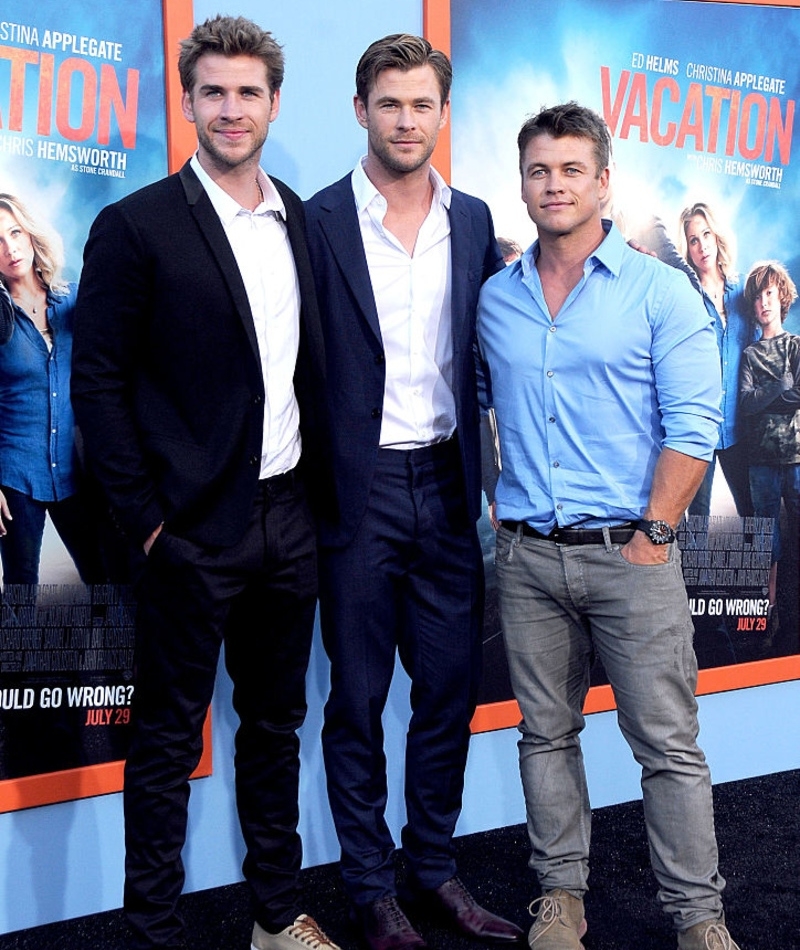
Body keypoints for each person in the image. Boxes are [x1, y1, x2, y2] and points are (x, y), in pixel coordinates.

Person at [71, 15, 336, 950]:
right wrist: (147, 524)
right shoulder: (135, 224)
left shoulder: (299, 216)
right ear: (186, 103)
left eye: (248, 92)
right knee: (165, 740)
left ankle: (274, 916)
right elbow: (95, 382)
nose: (232, 109)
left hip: (288, 517)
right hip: (187, 531)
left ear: (272, 102)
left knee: (274, 726)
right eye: (213, 92)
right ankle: (152, 931)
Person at [477, 103, 741, 950]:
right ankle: (561, 897)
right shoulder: (495, 299)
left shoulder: (662, 293)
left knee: (667, 746)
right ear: (522, 182)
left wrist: (653, 536)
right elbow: (482, 409)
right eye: (538, 171)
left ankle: (699, 916)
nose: (554, 186)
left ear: (604, 181)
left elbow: (694, 427)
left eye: (571, 170)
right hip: (526, 559)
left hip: (632, 554)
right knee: (545, 735)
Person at [304, 34, 522, 950]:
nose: (406, 120)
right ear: (361, 111)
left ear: (442, 113)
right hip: (355, 492)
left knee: (447, 690)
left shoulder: (471, 220)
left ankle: (432, 867)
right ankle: (369, 886)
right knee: (356, 698)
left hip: (447, 480)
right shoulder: (310, 219)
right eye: (389, 104)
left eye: (422, 104)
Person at [0, 194, 105, 587]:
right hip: (15, 476)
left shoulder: (72, 300)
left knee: (102, 576)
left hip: (76, 471)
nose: (10, 249)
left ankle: (104, 653)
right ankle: (13, 654)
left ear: (31, 235)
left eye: (15, 233)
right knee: (20, 590)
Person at [679, 202, 754, 516]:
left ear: (717, 235)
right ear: (688, 248)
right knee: (696, 517)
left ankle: (768, 568)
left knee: (754, 512)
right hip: (700, 429)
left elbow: (758, 357)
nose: (702, 245)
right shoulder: (684, 295)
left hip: (741, 427)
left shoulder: (744, 293)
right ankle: (691, 569)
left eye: (706, 233)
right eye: (693, 239)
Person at [739, 260, 800, 615]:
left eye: (769, 293)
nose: (764, 302)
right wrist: (779, 386)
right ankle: (768, 613)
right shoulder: (749, 355)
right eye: (758, 296)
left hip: (795, 457)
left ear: (781, 297)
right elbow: (746, 405)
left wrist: (766, 397)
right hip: (760, 461)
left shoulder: (795, 347)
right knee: (766, 543)